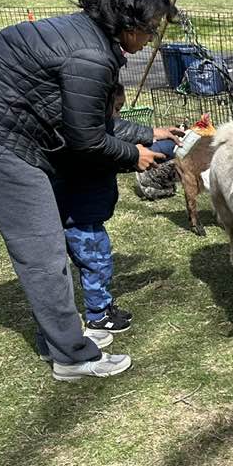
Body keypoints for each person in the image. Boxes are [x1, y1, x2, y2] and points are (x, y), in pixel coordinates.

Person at [0, 0, 181, 381]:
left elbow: (85, 118)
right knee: (43, 250)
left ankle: (62, 335)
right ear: (126, 19)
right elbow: (86, 140)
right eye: (150, 26)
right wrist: (132, 155)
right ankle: (71, 355)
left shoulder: (83, 36)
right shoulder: (91, 55)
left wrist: (146, 132)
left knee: (43, 245)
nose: (152, 35)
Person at [53, 83, 176, 334]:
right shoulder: (88, 140)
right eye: (116, 109)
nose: (118, 115)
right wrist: (136, 156)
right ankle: (98, 314)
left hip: (85, 213)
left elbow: (118, 136)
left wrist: (149, 138)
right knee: (96, 263)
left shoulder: (92, 129)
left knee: (96, 261)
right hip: (80, 215)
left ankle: (102, 307)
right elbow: (112, 155)